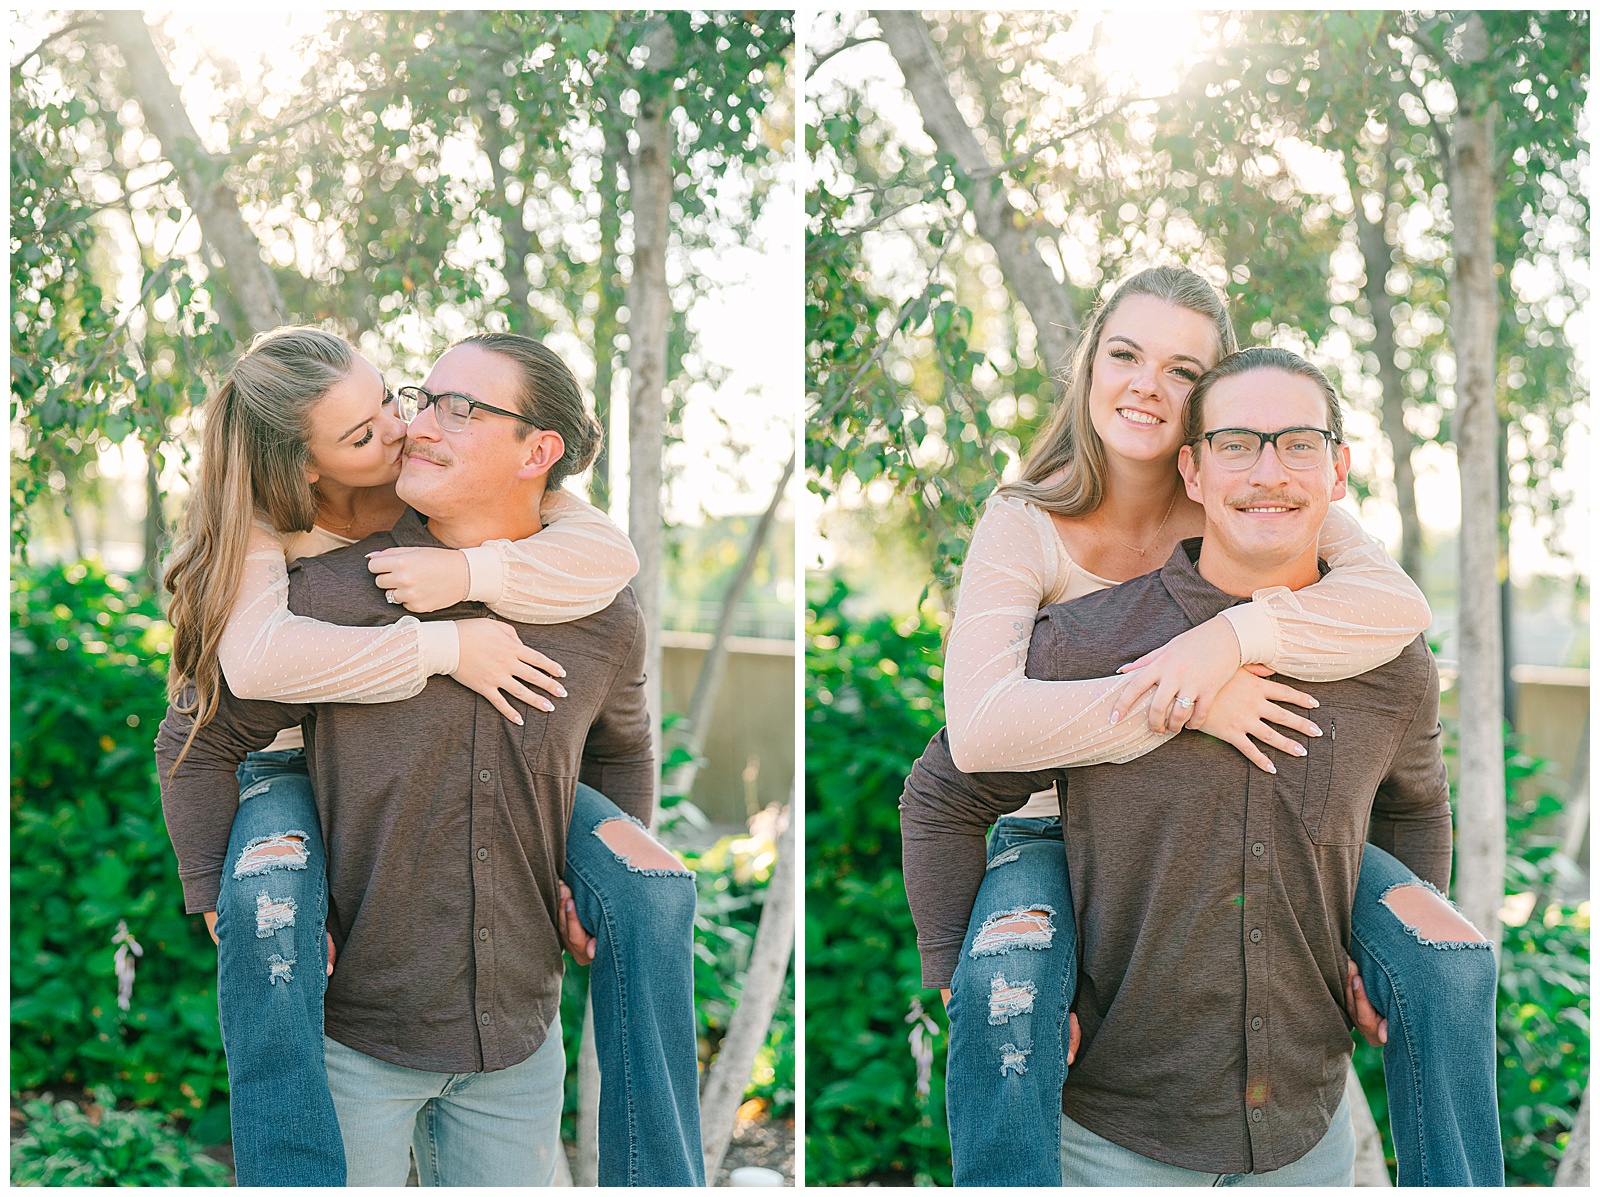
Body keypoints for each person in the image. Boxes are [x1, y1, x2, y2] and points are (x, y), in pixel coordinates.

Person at [904, 271, 1503, 1185]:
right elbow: (974, 745)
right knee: (1004, 992)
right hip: (1050, 813)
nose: (1148, 384)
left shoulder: (1278, 498)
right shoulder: (1028, 521)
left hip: (1301, 1115)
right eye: (1125, 355)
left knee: (1450, 963)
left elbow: (1401, 626)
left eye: (1182, 368)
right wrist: (1184, 694)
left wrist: (1229, 637)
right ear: (1199, 460)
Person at [157, 329, 703, 1186]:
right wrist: (216, 893)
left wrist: (584, 874)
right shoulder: (328, 588)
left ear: (539, 450)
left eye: (458, 406)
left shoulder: (599, 605)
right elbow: (203, 734)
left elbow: (622, 748)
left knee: (656, 882)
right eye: (422, 398)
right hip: (356, 1040)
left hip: (518, 1044)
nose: (414, 423)